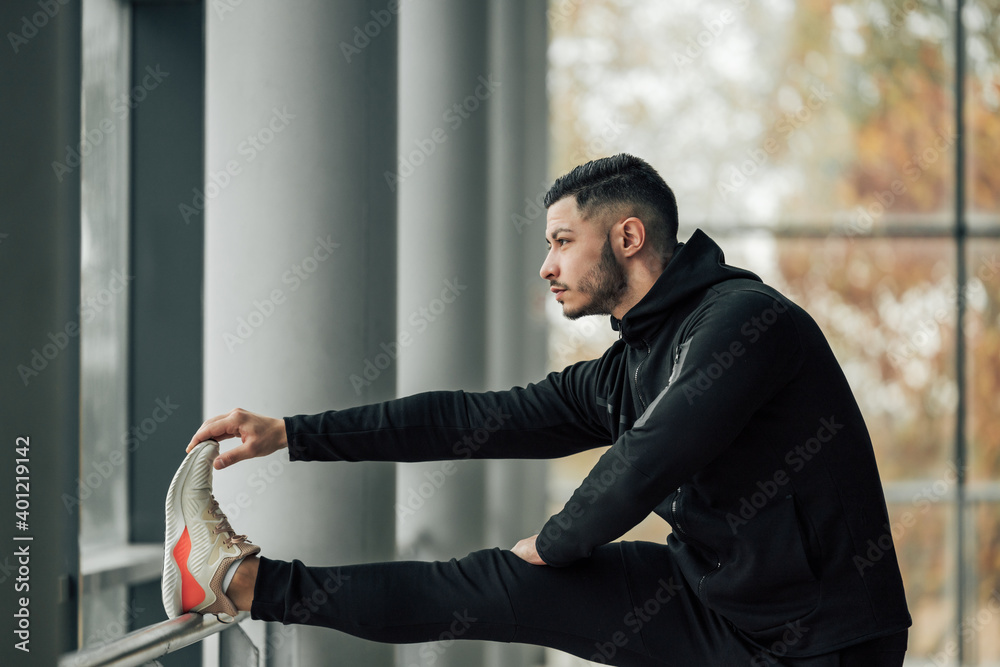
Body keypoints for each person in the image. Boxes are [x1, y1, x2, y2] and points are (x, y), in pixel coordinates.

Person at [162, 154, 911, 666]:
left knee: (523, 572)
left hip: (820, 639)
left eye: (561, 241)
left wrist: (554, 544)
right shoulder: (631, 364)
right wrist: (292, 433)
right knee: (486, 584)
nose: (547, 265)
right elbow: (469, 419)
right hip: (717, 601)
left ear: (627, 236)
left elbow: (655, 453)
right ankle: (236, 581)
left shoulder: (745, 322)